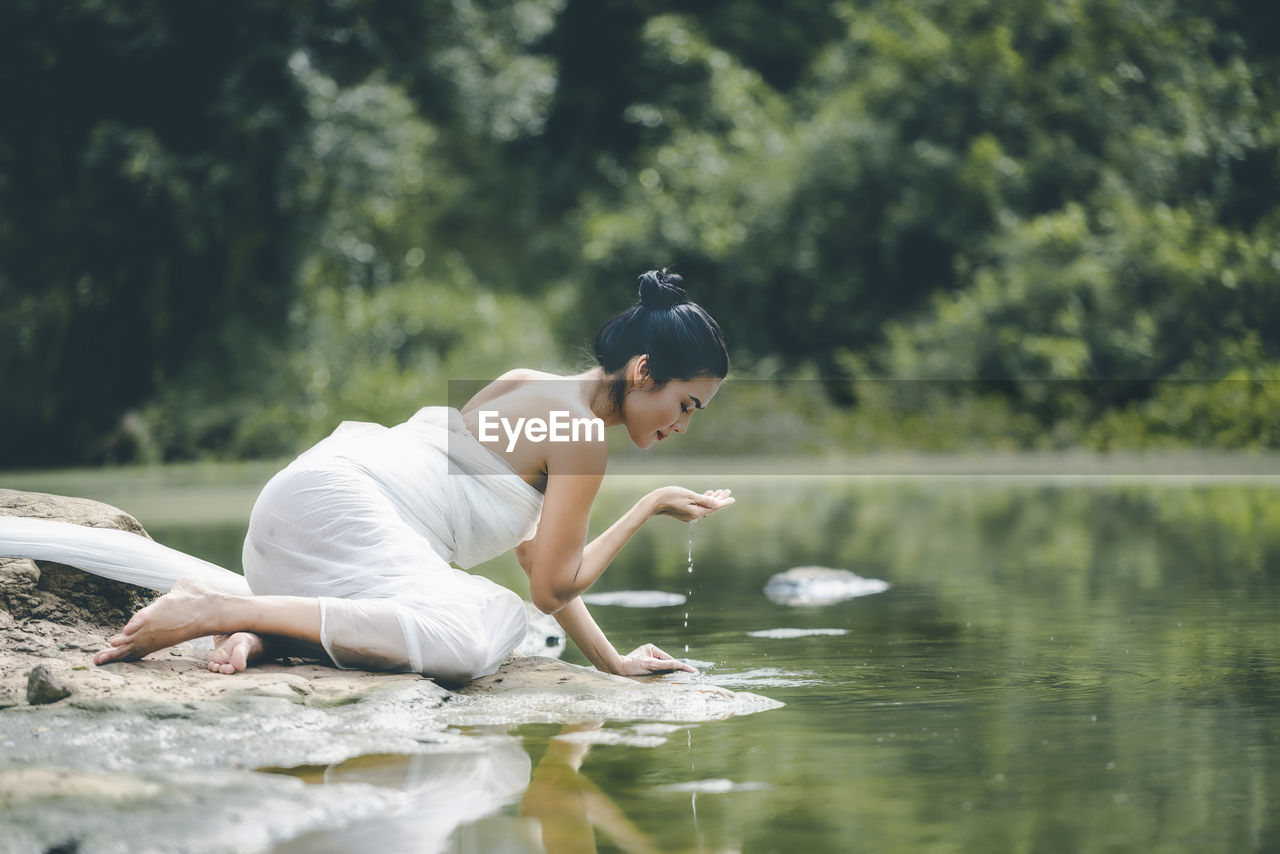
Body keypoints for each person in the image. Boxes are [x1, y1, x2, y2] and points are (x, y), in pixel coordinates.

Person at [8, 268, 732, 684]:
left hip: (299, 511)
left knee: (450, 621)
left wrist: (610, 663)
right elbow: (547, 588)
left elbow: (530, 553)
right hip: (346, 513)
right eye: (685, 403)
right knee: (475, 641)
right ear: (644, 371)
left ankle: (267, 625)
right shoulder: (581, 439)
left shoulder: (527, 386)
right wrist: (647, 508)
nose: (681, 424)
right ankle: (222, 610)